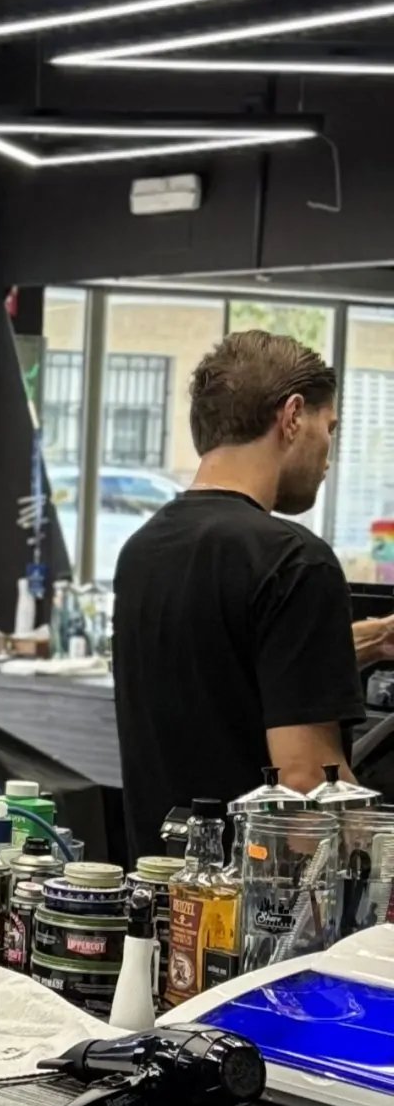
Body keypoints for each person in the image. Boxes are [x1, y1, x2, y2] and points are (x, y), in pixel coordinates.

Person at [114, 330, 368, 833]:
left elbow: (225, 670)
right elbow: (306, 783)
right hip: (258, 879)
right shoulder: (295, 561)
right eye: (330, 429)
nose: (328, 456)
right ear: (292, 416)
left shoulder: (143, 549)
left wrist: (372, 641)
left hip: (164, 872)